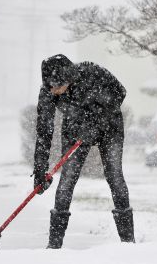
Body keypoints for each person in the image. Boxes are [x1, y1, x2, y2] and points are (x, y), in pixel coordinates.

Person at [33, 54, 134, 248]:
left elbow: (120, 92)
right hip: (75, 130)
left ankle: (128, 242)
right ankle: (54, 246)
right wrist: (39, 170)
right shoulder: (48, 89)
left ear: (67, 78)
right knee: (67, 180)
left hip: (109, 127)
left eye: (56, 86)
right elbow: (44, 130)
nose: (52, 91)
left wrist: (98, 121)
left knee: (114, 175)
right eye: (49, 86)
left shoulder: (92, 72)